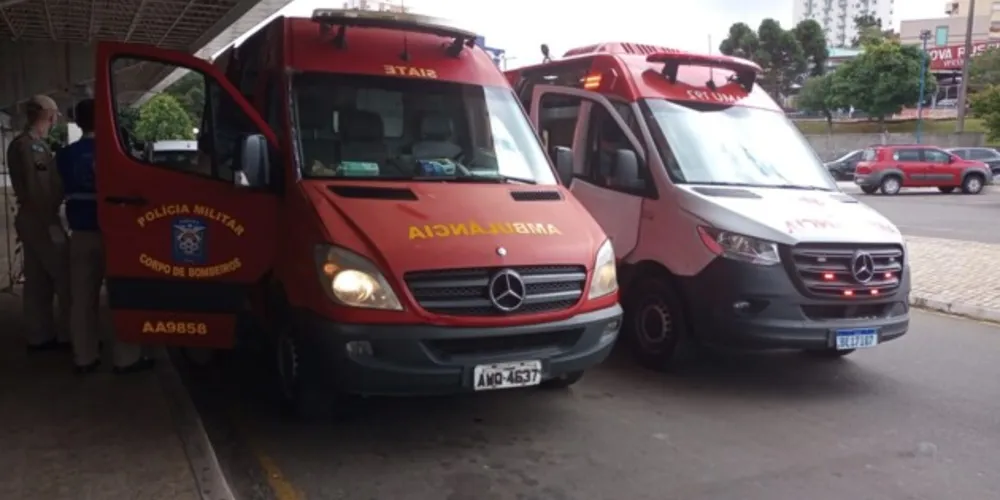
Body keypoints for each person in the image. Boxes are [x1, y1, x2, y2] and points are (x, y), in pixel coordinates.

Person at [57, 98, 153, 375]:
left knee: (82, 298)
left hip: (82, 234)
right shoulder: (118, 153)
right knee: (122, 296)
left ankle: (84, 357)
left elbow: (52, 195)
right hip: (116, 236)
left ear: (78, 122)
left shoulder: (64, 155)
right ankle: (126, 357)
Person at [6, 95, 70, 352]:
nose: (55, 120)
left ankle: (39, 336)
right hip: (41, 218)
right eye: (54, 115)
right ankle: (71, 335)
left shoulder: (19, 143)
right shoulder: (33, 147)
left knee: (36, 281)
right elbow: (39, 189)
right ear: (47, 114)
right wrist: (53, 224)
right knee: (65, 277)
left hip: (30, 218)